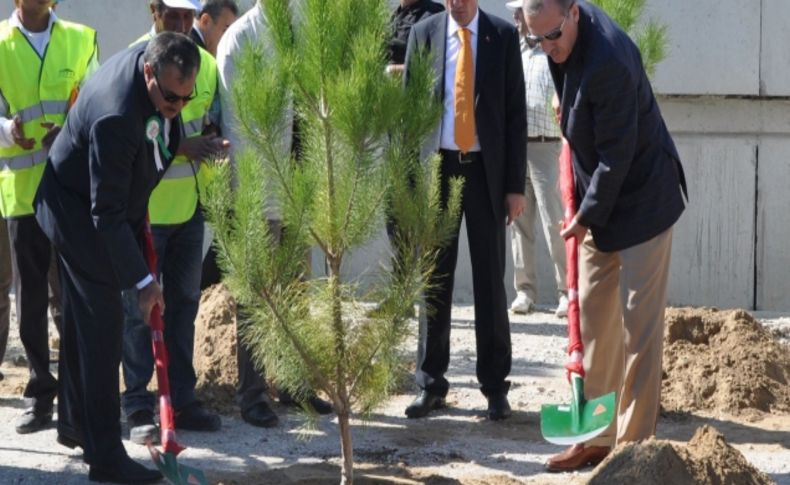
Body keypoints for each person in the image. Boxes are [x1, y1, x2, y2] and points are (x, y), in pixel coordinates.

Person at [522, 0, 687, 472]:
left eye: (552, 36)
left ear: (573, 13)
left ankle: (633, 455)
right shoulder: (558, 40)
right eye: (536, 40)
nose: (546, 47)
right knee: (595, 320)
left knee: (639, 330)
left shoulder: (608, 61)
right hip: (601, 202)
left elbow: (616, 160)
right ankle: (597, 436)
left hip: (642, 204)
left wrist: (584, 217)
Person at [35, 31, 200, 484]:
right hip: (74, 212)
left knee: (87, 325)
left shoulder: (159, 74)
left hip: (105, 206)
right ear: (149, 72)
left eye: (186, 99)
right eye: (169, 96)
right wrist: (144, 282)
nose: (176, 106)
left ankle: (77, 428)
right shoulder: (116, 114)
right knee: (103, 326)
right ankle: (105, 456)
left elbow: (150, 151)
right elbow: (104, 213)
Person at [403, 0, 527, 421]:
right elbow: (408, 114)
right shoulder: (424, 34)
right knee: (434, 280)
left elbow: (515, 114)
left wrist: (514, 186)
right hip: (437, 170)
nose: (456, 3)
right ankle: (430, 383)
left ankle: (495, 386)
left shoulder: (502, 36)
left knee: (490, 281)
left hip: (486, 176)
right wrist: (409, 183)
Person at [215, 0, 332, 428]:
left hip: (296, 186)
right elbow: (236, 126)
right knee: (255, 297)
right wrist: (253, 202)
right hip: (258, 190)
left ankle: (294, 384)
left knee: (297, 292)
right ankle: (252, 394)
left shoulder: (299, 31)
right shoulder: (241, 39)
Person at [121, 0, 225, 445]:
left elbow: (209, 123)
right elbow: (137, 134)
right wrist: (187, 147)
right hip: (146, 211)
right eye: (172, 15)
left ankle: (183, 396)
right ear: (153, 11)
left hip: (189, 209)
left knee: (185, 304)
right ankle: (137, 401)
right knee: (139, 311)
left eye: (187, 16)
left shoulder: (206, 66)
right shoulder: (137, 61)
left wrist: (214, 143)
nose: (181, 24)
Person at [0, 0, 97, 434]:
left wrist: (72, 131)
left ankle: (79, 396)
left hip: (68, 192)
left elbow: (95, 101)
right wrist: (6, 131)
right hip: (22, 195)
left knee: (72, 298)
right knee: (32, 300)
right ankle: (41, 395)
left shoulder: (80, 38)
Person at [505, 0, 567, 317]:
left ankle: (565, 291)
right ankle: (525, 291)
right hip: (517, 147)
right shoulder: (515, 51)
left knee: (554, 220)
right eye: (515, 12)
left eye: (520, 11)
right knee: (519, 222)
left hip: (546, 145)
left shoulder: (552, 50)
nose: (516, 17)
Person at [387, 0, 445, 75]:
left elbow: (435, 66)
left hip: (411, 84)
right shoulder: (395, 14)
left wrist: (392, 70)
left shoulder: (433, 13)